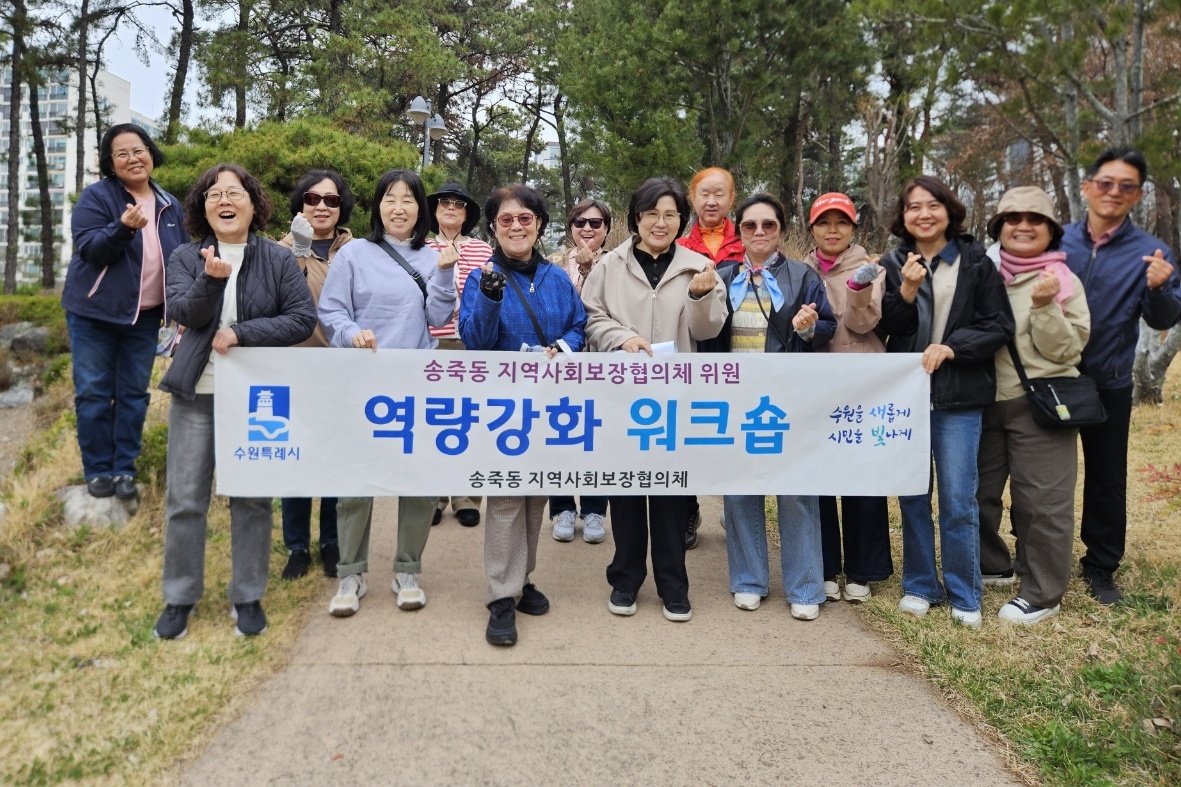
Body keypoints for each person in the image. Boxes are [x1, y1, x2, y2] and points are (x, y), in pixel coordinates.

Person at [153, 164, 316, 639]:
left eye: (234, 192)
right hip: (196, 394)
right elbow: (183, 311)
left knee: (252, 499)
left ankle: (247, 596)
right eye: (214, 195)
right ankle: (179, 597)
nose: (224, 201)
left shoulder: (277, 258)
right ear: (203, 208)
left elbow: (301, 319)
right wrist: (211, 280)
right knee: (185, 499)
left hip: (256, 398)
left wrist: (242, 332)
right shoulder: (186, 256)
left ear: (252, 202)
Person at [583, 176, 727, 623]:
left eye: (669, 215)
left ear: (681, 220)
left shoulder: (699, 267)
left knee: (670, 495)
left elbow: (709, 329)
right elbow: (590, 316)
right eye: (651, 214)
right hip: (620, 397)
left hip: (673, 399)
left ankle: (673, 586)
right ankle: (625, 580)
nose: (660, 223)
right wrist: (622, 338)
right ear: (636, 218)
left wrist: (700, 297)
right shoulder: (610, 265)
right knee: (625, 493)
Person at [318, 170, 457, 618]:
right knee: (354, 482)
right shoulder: (354, 253)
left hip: (416, 383)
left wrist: (445, 272)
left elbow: (439, 316)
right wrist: (352, 333)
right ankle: (351, 574)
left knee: (418, 481)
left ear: (421, 210)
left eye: (408, 200)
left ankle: (407, 570)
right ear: (377, 206)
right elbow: (331, 310)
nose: (399, 208)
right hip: (361, 382)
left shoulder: (433, 256)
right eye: (390, 199)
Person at [878, 175, 1014, 630]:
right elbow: (887, 328)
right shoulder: (894, 262)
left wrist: (954, 347)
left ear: (949, 210)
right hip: (908, 398)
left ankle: (964, 592)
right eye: (914, 207)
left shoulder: (975, 262)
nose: (924, 214)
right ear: (903, 217)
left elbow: (999, 325)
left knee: (958, 499)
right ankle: (920, 584)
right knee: (913, 496)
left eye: (932, 205)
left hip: (959, 398)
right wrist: (906, 291)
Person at [459, 184, 587, 647]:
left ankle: (523, 577)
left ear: (539, 225)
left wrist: (563, 347)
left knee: (536, 496)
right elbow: (474, 340)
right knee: (506, 497)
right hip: (503, 406)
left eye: (525, 218)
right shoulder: (481, 278)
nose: (516, 226)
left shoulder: (557, 278)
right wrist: (490, 297)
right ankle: (501, 594)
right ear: (493, 228)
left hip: (550, 404)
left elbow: (578, 325)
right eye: (506, 220)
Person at [700, 193, 835, 621]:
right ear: (738, 231)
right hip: (736, 399)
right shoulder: (721, 276)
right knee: (740, 490)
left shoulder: (803, 276)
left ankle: (805, 585)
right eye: (750, 225)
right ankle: (748, 579)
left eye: (768, 225)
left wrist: (809, 328)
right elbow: (706, 334)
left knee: (797, 491)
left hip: (788, 398)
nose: (759, 232)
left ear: (782, 230)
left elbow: (828, 326)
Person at [1061, 148, 1181, 605]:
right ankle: (1035, 552)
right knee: (1039, 475)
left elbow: (1162, 318)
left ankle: (1101, 566)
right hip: (1051, 378)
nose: (1114, 192)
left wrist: (1161, 287)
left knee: (1107, 477)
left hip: (1108, 381)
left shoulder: (1151, 252)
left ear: (1138, 195)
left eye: (1126, 186)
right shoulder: (1057, 240)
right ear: (1087, 186)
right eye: (1105, 183)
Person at [978, 187, 1091, 624]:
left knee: (1042, 501)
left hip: (1040, 403)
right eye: (1013, 218)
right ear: (998, 227)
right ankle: (992, 564)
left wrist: (1045, 308)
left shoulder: (1061, 279)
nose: (1023, 226)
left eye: (1035, 219)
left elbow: (1068, 350)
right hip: (984, 401)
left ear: (1051, 230)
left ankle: (1043, 593)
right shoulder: (982, 272)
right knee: (976, 493)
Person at [62, 124, 187, 500]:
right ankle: (98, 469)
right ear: (110, 162)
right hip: (94, 315)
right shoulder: (97, 197)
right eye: (122, 154)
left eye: (139, 150)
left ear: (151, 153)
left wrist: (179, 310)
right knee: (94, 393)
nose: (133, 158)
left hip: (145, 318)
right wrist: (122, 229)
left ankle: (124, 469)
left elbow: (180, 259)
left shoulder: (169, 204)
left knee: (133, 394)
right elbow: (90, 249)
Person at [802, 193, 893, 604]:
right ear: (812, 228)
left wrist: (858, 288)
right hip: (816, 385)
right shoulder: (799, 270)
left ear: (854, 228)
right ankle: (825, 567)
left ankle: (862, 569)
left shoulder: (871, 268)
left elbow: (863, 322)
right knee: (819, 479)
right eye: (824, 222)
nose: (832, 230)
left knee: (862, 478)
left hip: (862, 383)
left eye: (841, 222)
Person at [276, 169, 355, 580]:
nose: (321, 206)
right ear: (300, 204)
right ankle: (296, 546)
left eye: (331, 199)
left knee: (336, 459)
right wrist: (297, 254)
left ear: (342, 207)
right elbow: (275, 301)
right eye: (312, 199)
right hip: (295, 366)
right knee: (296, 459)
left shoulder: (356, 251)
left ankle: (331, 541)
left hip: (342, 370)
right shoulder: (279, 250)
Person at [676, 167, 745, 548]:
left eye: (720, 193)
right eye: (704, 194)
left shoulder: (748, 241)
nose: (712, 201)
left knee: (733, 431)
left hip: (738, 349)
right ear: (692, 198)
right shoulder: (680, 246)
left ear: (732, 199)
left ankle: (736, 510)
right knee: (686, 432)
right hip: (692, 347)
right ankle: (688, 509)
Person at [546, 198, 613, 544]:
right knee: (558, 433)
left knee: (595, 436)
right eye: (580, 222)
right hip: (559, 361)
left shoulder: (616, 263)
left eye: (596, 223)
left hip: (600, 363)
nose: (587, 228)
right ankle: (562, 507)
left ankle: (594, 509)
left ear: (606, 229)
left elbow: (603, 311)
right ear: (570, 226)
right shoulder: (552, 262)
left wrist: (590, 272)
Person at [428, 182, 494, 528]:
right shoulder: (421, 247)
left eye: (458, 203)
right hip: (432, 345)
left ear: (467, 213)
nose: (451, 207)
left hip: (472, 346)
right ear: (435, 209)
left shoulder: (483, 250)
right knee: (435, 420)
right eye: (444, 202)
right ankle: (434, 496)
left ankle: (467, 496)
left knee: (470, 420)